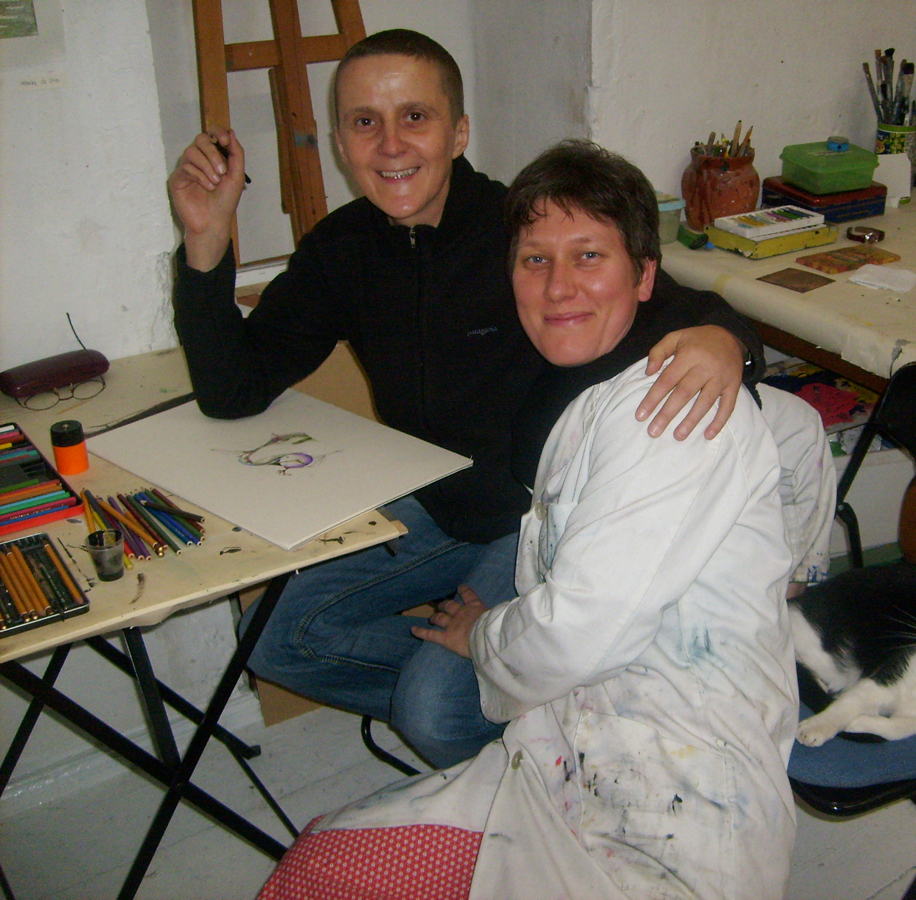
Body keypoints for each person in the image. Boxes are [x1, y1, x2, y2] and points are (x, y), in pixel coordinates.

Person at [255, 140, 836, 900]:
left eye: (588, 256)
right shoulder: (573, 383)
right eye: (536, 261)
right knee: (319, 855)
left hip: (677, 796)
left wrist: (486, 637)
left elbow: (578, 628)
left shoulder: (671, 412)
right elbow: (792, 428)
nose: (559, 286)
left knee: (402, 760)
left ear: (645, 277)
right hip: (562, 731)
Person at [167, 29, 763, 767]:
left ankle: (500, 694)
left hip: (531, 515)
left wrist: (727, 340)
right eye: (365, 122)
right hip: (439, 505)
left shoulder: (523, 227)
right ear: (341, 143)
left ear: (458, 132)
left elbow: (667, 300)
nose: (391, 144)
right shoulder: (341, 250)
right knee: (273, 641)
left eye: (415, 117)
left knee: (431, 710)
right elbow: (233, 390)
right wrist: (205, 242)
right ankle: (534, 690)